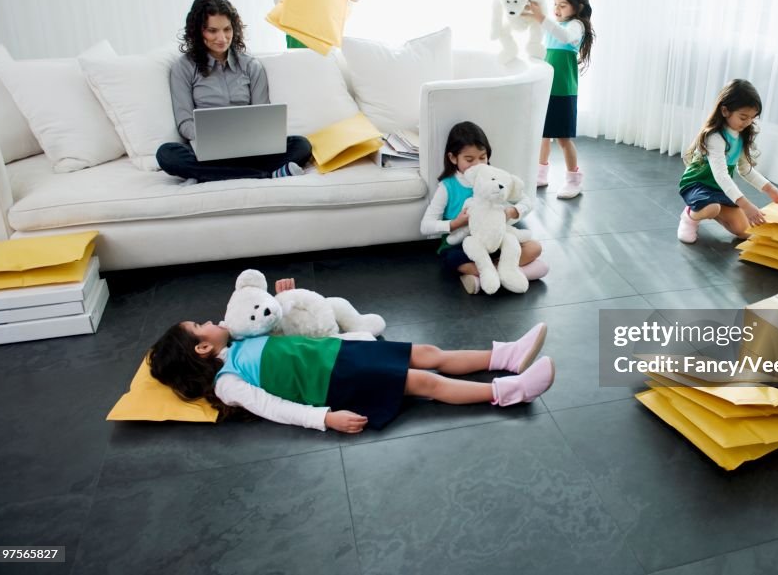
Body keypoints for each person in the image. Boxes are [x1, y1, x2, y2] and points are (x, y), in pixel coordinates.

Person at [147, 287, 555, 432]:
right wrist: (325, 418)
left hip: (341, 352)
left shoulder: (239, 339)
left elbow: (275, 320)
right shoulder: (228, 382)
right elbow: (275, 408)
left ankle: (507, 354)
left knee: (428, 353)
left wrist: (281, 295)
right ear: (202, 348)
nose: (210, 320)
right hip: (337, 380)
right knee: (424, 382)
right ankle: (506, 392)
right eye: (201, 324)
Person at [156, 0, 313, 183]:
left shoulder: (250, 66)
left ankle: (210, 175)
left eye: (227, 29)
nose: (222, 38)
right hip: (207, 151)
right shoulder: (184, 67)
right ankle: (264, 175)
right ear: (198, 31)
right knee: (167, 154)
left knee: (301, 145)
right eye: (212, 31)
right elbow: (184, 121)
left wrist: (256, 138)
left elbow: (262, 114)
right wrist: (211, 138)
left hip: (251, 150)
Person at [420, 121, 549, 294]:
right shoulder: (448, 187)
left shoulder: (495, 178)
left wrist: (512, 211)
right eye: (469, 159)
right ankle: (507, 274)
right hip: (464, 245)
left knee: (534, 248)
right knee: (452, 259)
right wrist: (455, 223)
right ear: (453, 158)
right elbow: (425, 226)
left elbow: (527, 201)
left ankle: (488, 275)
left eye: (482, 157)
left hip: (496, 239)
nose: (477, 164)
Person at [676, 79, 778, 244]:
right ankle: (690, 216)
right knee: (712, 208)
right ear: (725, 111)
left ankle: (713, 210)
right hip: (697, 184)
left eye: (752, 118)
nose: (748, 122)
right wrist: (746, 206)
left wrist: (771, 189)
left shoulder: (740, 135)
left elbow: (745, 170)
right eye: (743, 117)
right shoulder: (715, 137)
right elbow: (721, 176)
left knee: (744, 232)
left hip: (719, 190)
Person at [524, 0, 595, 199]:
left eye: (562, 5)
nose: (556, 9)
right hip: (548, 87)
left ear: (578, 6)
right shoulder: (555, 25)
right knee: (543, 134)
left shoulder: (576, 26)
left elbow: (563, 37)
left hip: (563, 89)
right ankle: (540, 173)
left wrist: (541, 18)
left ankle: (574, 180)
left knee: (563, 138)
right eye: (555, 4)